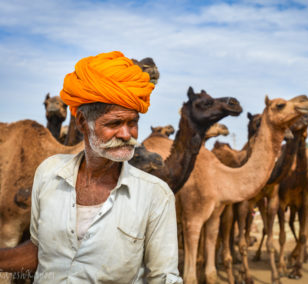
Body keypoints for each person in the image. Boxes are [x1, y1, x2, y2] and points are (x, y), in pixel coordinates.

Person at [0, 51, 182, 283]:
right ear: (83, 123)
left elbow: (163, 277)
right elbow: (40, 250)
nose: (127, 134)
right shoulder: (48, 172)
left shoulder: (156, 194)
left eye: (132, 123)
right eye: (114, 123)